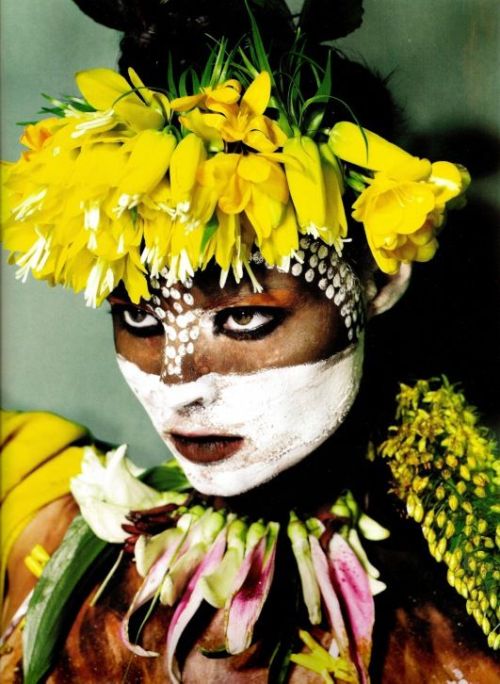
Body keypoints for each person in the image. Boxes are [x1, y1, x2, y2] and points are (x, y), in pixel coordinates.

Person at [1, 1, 498, 682]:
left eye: (244, 318)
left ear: (380, 279)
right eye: (140, 320)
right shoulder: (48, 527)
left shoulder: (452, 638)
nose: (183, 384)